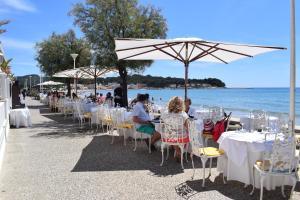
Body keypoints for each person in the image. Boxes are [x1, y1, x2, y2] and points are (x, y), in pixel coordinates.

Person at [165, 96, 189, 161]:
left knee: (172, 135)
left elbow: (165, 126)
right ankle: (180, 152)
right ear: (181, 104)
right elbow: (188, 127)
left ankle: (177, 151)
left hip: (170, 138)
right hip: (182, 138)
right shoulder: (184, 115)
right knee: (187, 134)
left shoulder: (167, 114)